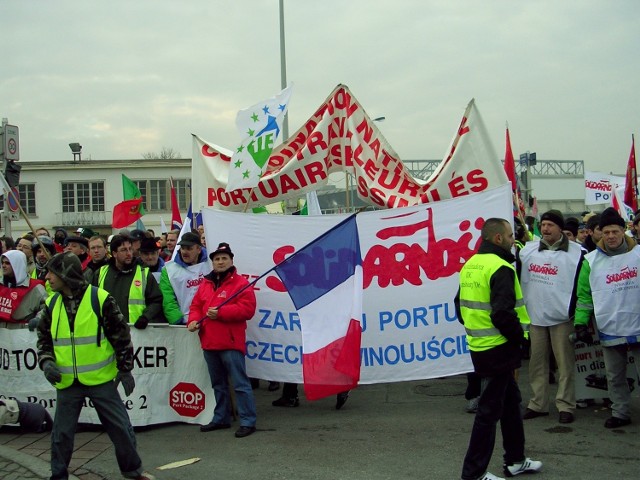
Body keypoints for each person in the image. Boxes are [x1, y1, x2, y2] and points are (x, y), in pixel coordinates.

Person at [35, 252, 154, 480]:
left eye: (52, 272)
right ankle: (58, 476)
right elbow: (44, 340)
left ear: (65, 274)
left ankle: (133, 472)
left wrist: (125, 368)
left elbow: (120, 336)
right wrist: (46, 361)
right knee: (61, 435)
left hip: (100, 380)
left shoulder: (100, 299)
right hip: (67, 381)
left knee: (121, 430)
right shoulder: (51, 304)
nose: (47, 276)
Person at [455, 218, 542, 480]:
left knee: (510, 403)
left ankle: (515, 460)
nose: (514, 239)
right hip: (499, 347)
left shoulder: (471, 264)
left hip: (481, 345)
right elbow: (503, 314)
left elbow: (458, 307)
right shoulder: (500, 267)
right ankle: (474, 474)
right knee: (488, 412)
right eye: (509, 234)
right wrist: (520, 339)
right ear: (498, 239)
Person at [574, 207, 640, 428]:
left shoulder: (639, 254)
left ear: (624, 231)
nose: (610, 236)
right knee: (614, 376)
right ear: (600, 233)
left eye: (615, 231)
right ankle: (620, 412)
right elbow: (584, 296)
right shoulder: (590, 261)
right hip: (610, 325)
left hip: (638, 323)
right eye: (606, 232)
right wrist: (581, 323)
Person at [518, 210, 584, 424]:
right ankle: (538, 404)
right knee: (537, 364)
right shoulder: (528, 251)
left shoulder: (577, 253)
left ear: (560, 228)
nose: (545, 229)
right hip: (535, 317)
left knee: (564, 364)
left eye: (550, 225)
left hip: (562, 317)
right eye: (543, 224)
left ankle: (565, 405)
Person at [187, 242, 257, 438]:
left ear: (231, 260)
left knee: (240, 384)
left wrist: (222, 313)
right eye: (217, 259)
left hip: (230, 343)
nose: (220, 261)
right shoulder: (205, 284)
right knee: (218, 384)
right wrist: (193, 321)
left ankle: (248, 421)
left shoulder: (241, 284)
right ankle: (222, 417)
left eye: (224, 258)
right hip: (209, 341)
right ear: (212, 262)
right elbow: (195, 307)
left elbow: (248, 309)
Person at [92, 235, 163, 329]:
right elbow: (91, 301)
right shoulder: (100, 274)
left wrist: (146, 317)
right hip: (107, 332)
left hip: (135, 333)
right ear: (114, 253)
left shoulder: (144, 274)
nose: (129, 253)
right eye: (124, 250)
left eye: (130, 249)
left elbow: (157, 301)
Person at [159, 232, 210, 325]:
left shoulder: (210, 265)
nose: (184, 252)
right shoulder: (169, 269)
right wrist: (177, 319)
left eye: (189, 248)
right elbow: (167, 298)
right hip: (185, 324)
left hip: (210, 320)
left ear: (198, 249)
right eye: (182, 248)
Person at [0, 250, 47, 328]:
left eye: (7, 263)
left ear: (17, 265)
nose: (3, 265)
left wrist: (38, 319)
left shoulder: (35, 287)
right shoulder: (1, 285)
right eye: (2, 262)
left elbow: (46, 307)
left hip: (23, 335)